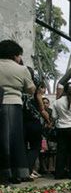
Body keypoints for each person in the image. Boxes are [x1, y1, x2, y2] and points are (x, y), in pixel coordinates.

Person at [0, 40, 35, 185]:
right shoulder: (22, 69)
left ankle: (3, 173)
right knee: (15, 141)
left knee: (2, 141)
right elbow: (31, 89)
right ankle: (16, 173)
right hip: (14, 103)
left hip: (0, 103)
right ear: (15, 55)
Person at [23, 70, 51, 179]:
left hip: (23, 121)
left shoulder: (23, 91)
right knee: (35, 147)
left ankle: (22, 170)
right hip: (34, 122)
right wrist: (48, 121)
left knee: (24, 147)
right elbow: (42, 110)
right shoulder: (36, 92)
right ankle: (28, 170)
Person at [52, 83, 71, 179]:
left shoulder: (56, 102)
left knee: (61, 151)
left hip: (61, 128)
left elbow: (54, 116)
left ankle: (59, 173)